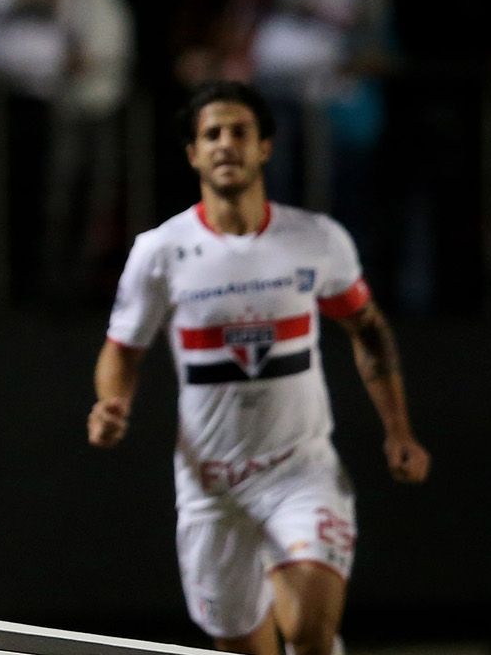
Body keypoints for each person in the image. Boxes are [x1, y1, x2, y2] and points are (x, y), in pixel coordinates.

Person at [87, 80, 430, 655]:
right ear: (193, 154)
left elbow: (367, 328)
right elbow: (122, 348)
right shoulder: (160, 251)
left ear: (265, 147)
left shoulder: (316, 240)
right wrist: (113, 402)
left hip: (300, 471)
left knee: (309, 633)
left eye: (240, 132)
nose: (226, 144)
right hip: (211, 489)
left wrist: (399, 430)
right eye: (211, 134)